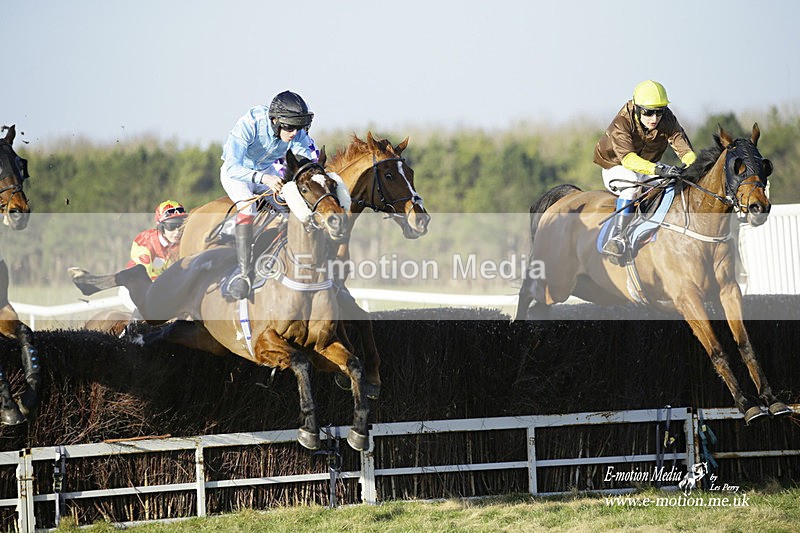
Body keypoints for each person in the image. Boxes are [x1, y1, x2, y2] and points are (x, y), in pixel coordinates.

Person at [220, 90, 319, 299]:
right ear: (274, 120)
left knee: (294, 205)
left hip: (267, 172)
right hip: (238, 174)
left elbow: (311, 158)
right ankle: (244, 274)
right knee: (249, 207)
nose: (294, 133)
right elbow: (231, 167)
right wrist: (263, 179)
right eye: (290, 127)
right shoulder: (250, 123)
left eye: (299, 127)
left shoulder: (296, 132)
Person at [593, 80, 697, 259]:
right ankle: (617, 236)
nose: (654, 119)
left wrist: (693, 167)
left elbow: (685, 150)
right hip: (616, 167)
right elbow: (629, 160)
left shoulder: (667, 119)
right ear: (636, 108)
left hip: (646, 170)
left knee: (672, 185)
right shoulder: (622, 122)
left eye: (659, 112)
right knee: (633, 185)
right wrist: (659, 169)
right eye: (648, 113)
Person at [127, 200, 188, 280]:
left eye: (181, 226)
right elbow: (144, 276)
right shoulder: (146, 241)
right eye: (171, 226)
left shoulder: (181, 243)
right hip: (134, 285)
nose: (177, 232)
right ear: (161, 227)